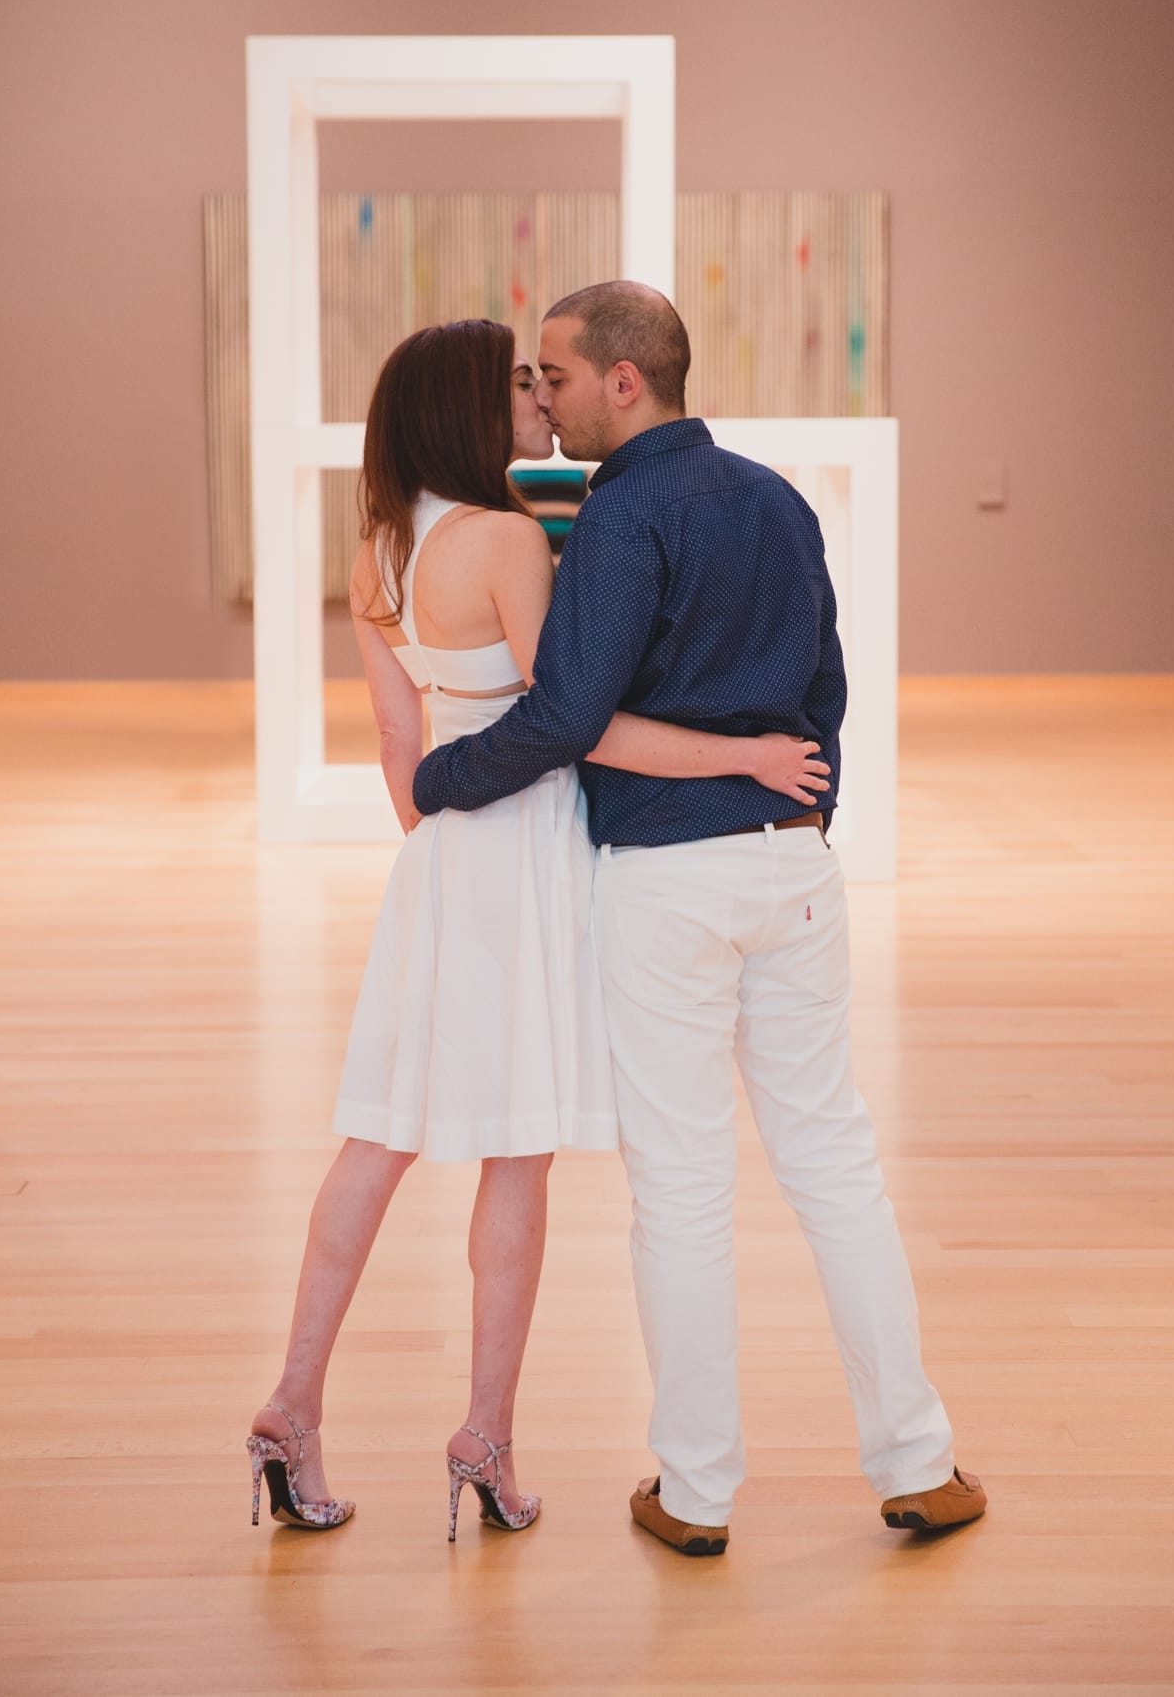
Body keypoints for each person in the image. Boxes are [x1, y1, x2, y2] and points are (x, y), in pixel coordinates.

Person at [412, 283, 987, 1554]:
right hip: (791, 871)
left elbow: (564, 715)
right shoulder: (777, 499)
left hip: (664, 888)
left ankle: (695, 1493)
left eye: (555, 375)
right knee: (836, 1167)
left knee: (679, 1191)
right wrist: (800, 813)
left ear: (626, 381)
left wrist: (436, 781)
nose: (541, 396)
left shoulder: (620, 516)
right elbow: (824, 689)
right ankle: (922, 1464)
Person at [247, 318, 830, 1544]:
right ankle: (483, 1438)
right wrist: (743, 753)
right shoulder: (508, 537)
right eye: (518, 382)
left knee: (376, 1142)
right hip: (523, 855)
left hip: (439, 866)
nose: (537, 400)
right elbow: (578, 722)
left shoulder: (377, 553)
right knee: (515, 1157)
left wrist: (445, 843)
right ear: (468, 406)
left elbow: (403, 766)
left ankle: (293, 1406)